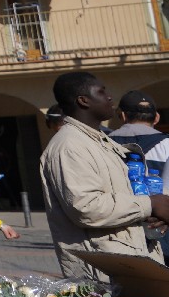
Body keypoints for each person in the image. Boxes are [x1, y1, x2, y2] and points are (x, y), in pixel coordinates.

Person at [41, 71, 169, 278]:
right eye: (101, 92)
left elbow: (125, 193)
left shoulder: (100, 141)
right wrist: (150, 204)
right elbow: (86, 207)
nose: (110, 97)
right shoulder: (69, 146)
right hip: (104, 273)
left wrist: (154, 213)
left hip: (131, 261)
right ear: (83, 100)